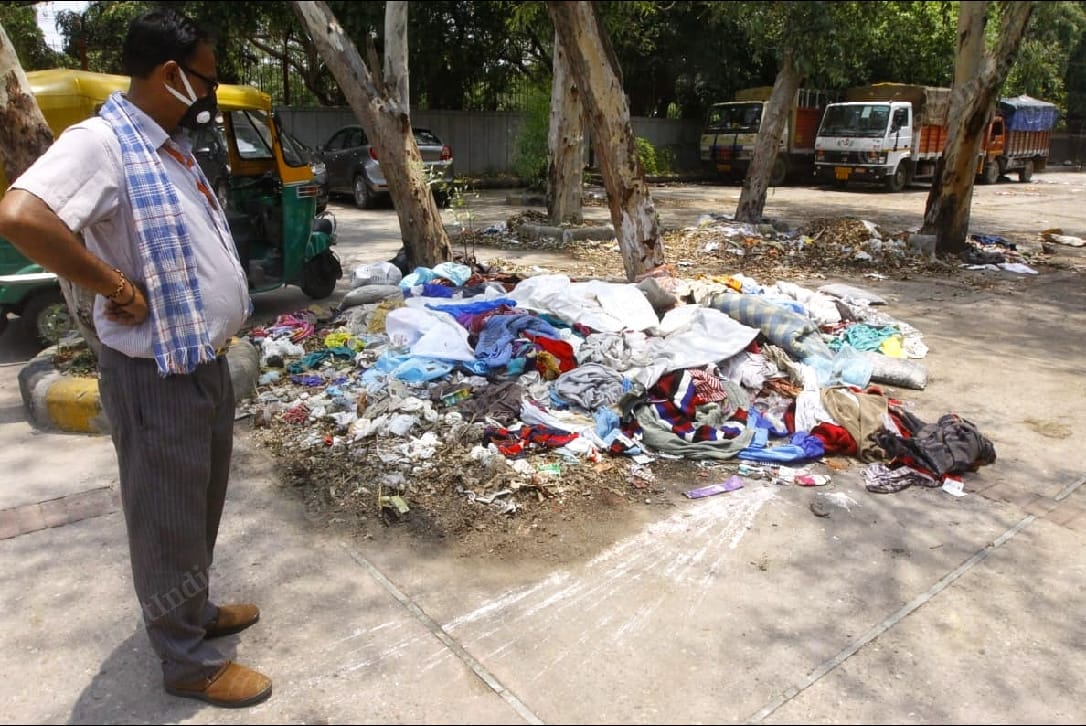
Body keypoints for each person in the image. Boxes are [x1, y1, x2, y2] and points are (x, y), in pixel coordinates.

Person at [0, 10, 270, 709]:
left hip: (198, 361)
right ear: (171, 74)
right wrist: (114, 287)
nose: (211, 93)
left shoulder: (164, 144)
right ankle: (184, 661)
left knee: (197, 506)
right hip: (155, 376)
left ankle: (195, 610)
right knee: (165, 518)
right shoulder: (101, 143)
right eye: (206, 80)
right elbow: (23, 216)